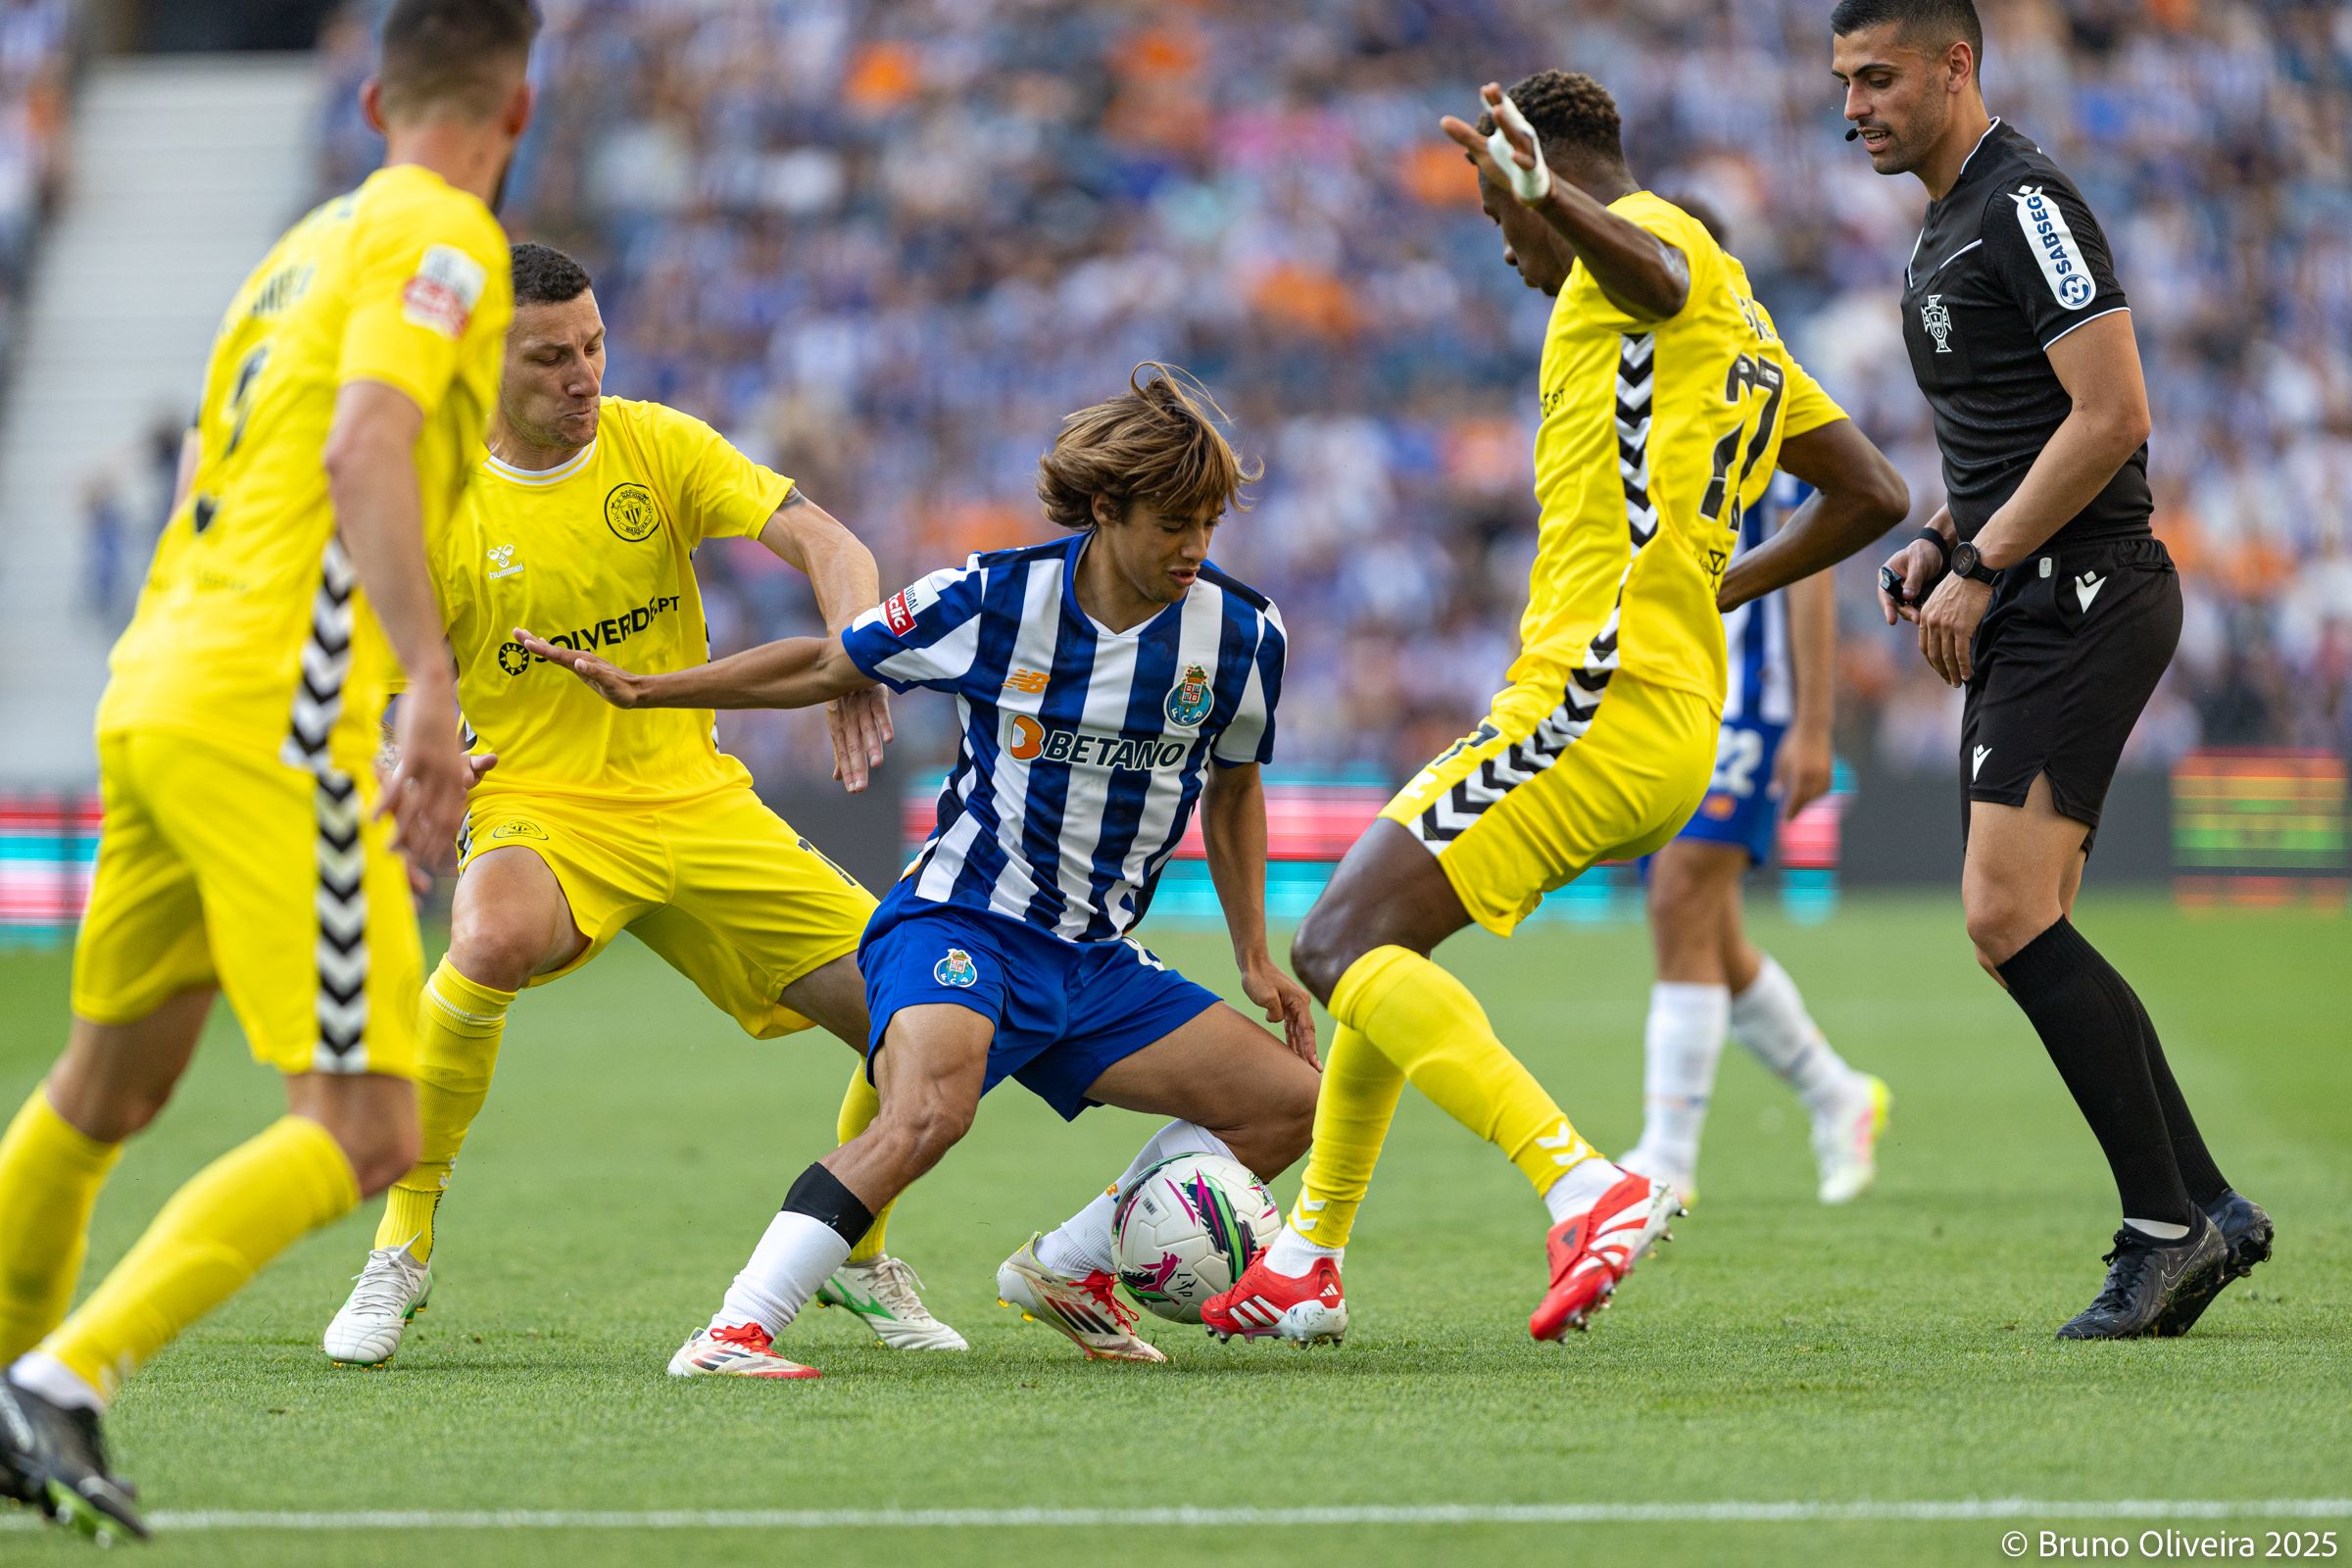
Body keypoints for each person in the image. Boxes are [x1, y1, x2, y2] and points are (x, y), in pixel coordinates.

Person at [1204, 73, 1909, 1348]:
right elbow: (1871, 491)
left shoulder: (1666, 252)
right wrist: (1713, 582)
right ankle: (1308, 1255)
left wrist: (1560, 205)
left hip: (1598, 696)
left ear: (1557, 179)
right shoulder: (1745, 334)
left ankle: (1585, 1185)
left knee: (1334, 944)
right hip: (1652, 709)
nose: (1508, 242)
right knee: (1377, 942)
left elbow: (1656, 273)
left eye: (1500, 214)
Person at [0, 0, 535, 1540]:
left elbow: (215, 467)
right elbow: (363, 448)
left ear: (372, 99)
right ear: (515, 109)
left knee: (108, 1084)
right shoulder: (446, 237)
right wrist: (426, 681)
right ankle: (67, 1377)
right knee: (367, 1126)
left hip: (160, 682)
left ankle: (9, 1384)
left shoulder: (301, 246)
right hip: (272, 716)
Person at [524, 365, 1321, 1375]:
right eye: (1173, 522)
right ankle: (734, 1331)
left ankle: (1073, 1267)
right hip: (963, 924)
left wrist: (1255, 956)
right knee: (929, 1113)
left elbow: (1236, 785)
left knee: (1290, 1101)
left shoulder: (1244, 634)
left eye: (1210, 521)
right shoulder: (992, 597)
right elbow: (827, 662)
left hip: (1096, 962)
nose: (1195, 547)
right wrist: (650, 691)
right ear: (1108, 508)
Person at [318, 243, 962, 1372]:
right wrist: (400, 757)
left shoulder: (653, 442)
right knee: (492, 936)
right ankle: (401, 1245)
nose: (584, 375)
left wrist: (859, 648)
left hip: (698, 796)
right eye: (552, 355)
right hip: (540, 802)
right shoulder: (433, 498)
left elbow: (830, 540)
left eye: (595, 346)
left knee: (915, 1017)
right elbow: (367, 677)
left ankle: (857, 1252)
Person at [1827, 0, 2268, 1339]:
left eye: (1879, 76)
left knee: (2003, 915)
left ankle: (2167, 1228)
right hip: (2034, 588)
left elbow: (2115, 413)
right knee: (2026, 925)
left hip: (2083, 594)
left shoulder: (2025, 204)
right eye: (1843, 80)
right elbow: (2014, 437)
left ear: (1956, 64)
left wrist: (1986, 559)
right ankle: (2204, 1204)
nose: (1856, 103)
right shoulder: (1944, 221)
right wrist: (1943, 540)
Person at [1622, 469, 1890, 1207]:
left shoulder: (1752, 404)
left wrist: (1812, 724)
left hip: (1745, 697)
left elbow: (1810, 568)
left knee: (1680, 897)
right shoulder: (1635, 403)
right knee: (1710, 931)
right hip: (1664, 695)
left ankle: (1667, 1158)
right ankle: (1838, 1095)